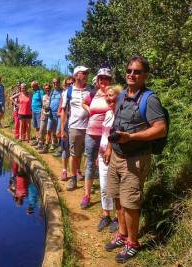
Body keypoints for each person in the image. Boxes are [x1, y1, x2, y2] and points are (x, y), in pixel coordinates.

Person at [103, 56, 167, 263]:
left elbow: (160, 128)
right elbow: (117, 123)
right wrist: (110, 148)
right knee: (117, 198)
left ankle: (133, 242)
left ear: (145, 75)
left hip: (136, 158)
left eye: (137, 71)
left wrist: (131, 137)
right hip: (117, 155)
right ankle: (122, 235)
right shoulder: (121, 95)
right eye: (129, 70)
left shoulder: (150, 99)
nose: (132, 74)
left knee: (130, 202)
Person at [80, 68, 112, 209]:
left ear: (110, 80)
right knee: (90, 164)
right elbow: (84, 103)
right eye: (101, 78)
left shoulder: (112, 94)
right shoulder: (93, 94)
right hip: (91, 133)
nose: (103, 81)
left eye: (106, 78)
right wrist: (90, 111)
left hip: (107, 136)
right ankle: (87, 195)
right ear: (97, 80)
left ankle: (107, 199)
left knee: (106, 165)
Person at [96, 84, 122, 232]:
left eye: (111, 95)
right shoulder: (107, 114)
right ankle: (106, 215)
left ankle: (118, 218)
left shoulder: (121, 114)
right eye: (106, 95)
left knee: (116, 188)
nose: (108, 98)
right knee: (104, 185)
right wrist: (98, 154)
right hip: (102, 154)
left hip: (115, 155)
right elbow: (104, 135)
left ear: (119, 96)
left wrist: (109, 151)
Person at [60, 66, 91, 191]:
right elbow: (64, 112)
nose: (86, 75)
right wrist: (62, 129)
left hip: (89, 128)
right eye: (83, 73)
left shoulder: (91, 90)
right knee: (74, 154)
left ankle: (81, 174)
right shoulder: (67, 92)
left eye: (87, 73)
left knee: (85, 154)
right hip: (74, 127)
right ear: (76, 75)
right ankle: (73, 178)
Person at [46, 78, 62, 153]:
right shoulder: (52, 92)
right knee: (49, 130)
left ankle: (58, 146)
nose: (55, 84)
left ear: (59, 83)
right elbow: (50, 101)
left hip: (59, 115)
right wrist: (48, 107)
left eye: (56, 82)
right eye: (54, 83)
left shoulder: (62, 92)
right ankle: (49, 145)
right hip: (51, 114)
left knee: (58, 131)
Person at [37, 83, 51, 153]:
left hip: (50, 116)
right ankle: (40, 143)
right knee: (41, 129)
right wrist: (42, 112)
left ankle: (47, 145)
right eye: (45, 89)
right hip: (44, 114)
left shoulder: (52, 96)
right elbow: (43, 106)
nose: (47, 90)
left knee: (48, 131)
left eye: (48, 88)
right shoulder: (43, 96)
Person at [30, 81, 44, 146]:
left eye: (32, 87)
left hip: (38, 112)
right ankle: (37, 139)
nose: (31, 88)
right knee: (36, 126)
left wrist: (41, 110)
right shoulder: (34, 92)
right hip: (33, 111)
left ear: (36, 86)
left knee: (39, 127)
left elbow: (43, 102)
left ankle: (40, 141)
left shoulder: (40, 92)